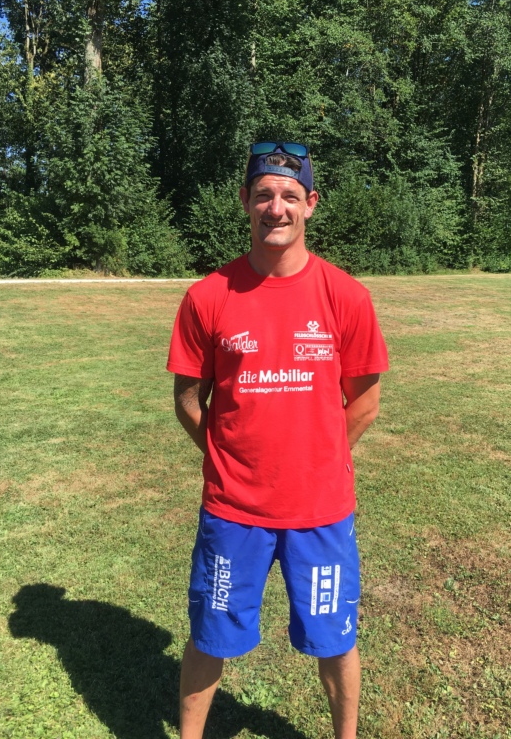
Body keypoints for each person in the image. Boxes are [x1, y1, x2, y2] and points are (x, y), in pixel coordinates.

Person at [167, 141, 389, 739]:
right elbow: (188, 399)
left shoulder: (346, 296)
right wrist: (229, 457)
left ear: (310, 204)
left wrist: (316, 458)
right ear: (245, 200)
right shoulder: (208, 296)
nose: (276, 207)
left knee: (335, 639)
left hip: (320, 511)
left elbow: (365, 403)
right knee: (209, 635)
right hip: (232, 509)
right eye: (264, 194)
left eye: (290, 195)